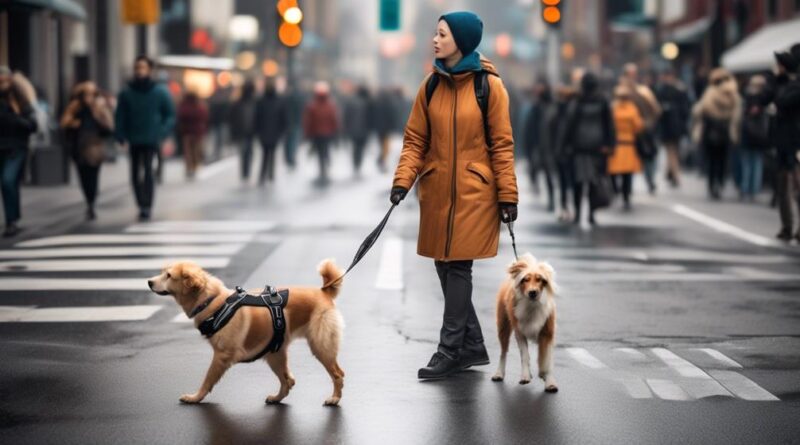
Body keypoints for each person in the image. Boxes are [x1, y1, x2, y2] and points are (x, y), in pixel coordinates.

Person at [390, 11, 518, 379]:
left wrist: (508, 195)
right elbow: (416, 140)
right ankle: (473, 346)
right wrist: (402, 182)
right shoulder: (430, 86)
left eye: (442, 34)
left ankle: (448, 350)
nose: (435, 39)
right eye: (435, 33)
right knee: (444, 265)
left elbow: (502, 145)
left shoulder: (489, 87)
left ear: (459, 40)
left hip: (476, 192)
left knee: (458, 266)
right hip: (437, 193)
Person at [114, 55, 175, 221]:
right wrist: (120, 134)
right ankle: (140, 203)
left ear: (149, 70)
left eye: (143, 67)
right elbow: (120, 115)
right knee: (134, 174)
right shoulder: (126, 92)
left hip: (151, 138)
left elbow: (169, 115)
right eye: (137, 67)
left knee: (148, 171)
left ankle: (147, 205)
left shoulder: (160, 92)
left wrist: (161, 132)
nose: (140, 71)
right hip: (134, 138)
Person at [559, 72, 615, 225]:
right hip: (597, 148)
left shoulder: (577, 101)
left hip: (580, 148)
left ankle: (578, 214)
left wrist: (563, 146)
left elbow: (568, 125)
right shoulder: (602, 101)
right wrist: (610, 145)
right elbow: (609, 124)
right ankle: (590, 214)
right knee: (593, 183)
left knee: (579, 183)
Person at [60, 81, 114, 220]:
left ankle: (92, 202)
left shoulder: (99, 107)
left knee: (93, 176)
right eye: (86, 94)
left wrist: (97, 113)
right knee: (83, 177)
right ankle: (89, 200)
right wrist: (73, 123)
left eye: (91, 94)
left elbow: (108, 127)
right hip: (78, 147)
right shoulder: (75, 107)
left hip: (94, 147)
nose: (89, 97)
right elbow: (64, 123)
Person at [691, 68, 742, 200]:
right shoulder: (733, 94)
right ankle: (720, 182)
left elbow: (699, 110)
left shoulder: (710, 93)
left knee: (712, 160)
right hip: (725, 130)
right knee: (722, 160)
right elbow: (737, 115)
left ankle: (712, 184)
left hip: (711, 130)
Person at [0, 67, 37, 237]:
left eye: (4, 80)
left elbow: (32, 125)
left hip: (16, 148)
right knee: (8, 183)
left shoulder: (20, 100)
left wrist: (14, 118)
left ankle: (11, 221)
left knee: (8, 181)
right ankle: (12, 218)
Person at [771, 43, 800, 242]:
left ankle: (792, 228)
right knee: (784, 187)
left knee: (797, 186)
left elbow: (782, 102)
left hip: (795, 141)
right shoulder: (783, 83)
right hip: (784, 142)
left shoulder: (795, 84)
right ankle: (787, 227)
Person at [621, 63, 661, 194]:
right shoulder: (623, 92)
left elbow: (655, 110)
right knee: (630, 160)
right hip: (629, 132)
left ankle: (649, 180)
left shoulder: (643, 91)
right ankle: (628, 187)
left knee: (648, 156)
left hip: (642, 129)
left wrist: (648, 123)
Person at [607, 84, 644, 209]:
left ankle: (615, 191)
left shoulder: (613, 108)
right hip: (629, 144)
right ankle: (626, 195)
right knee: (627, 174)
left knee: (613, 171)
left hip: (616, 144)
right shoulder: (632, 109)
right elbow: (638, 126)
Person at [524, 80, 558, 211]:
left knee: (549, 174)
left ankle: (552, 199)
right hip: (540, 144)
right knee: (539, 170)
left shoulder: (550, 107)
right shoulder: (537, 107)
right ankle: (548, 196)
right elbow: (530, 128)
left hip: (547, 145)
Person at [656, 69, 690, 187]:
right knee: (672, 151)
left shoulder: (673, 91)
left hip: (673, 127)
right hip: (670, 127)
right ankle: (674, 173)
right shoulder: (669, 90)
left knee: (673, 151)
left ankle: (671, 172)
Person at [739, 75, 771, 201]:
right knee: (756, 162)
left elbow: (742, 116)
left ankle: (746, 188)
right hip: (759, 135)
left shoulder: (747, 97)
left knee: (748, 163)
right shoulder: (764, 99)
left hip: (748, 134)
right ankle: (753, 189)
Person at [302, 81, 339, 185]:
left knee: (320, 153)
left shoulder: (312, 105)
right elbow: (334, 120)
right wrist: (336, 132)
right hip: (326, 133)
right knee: (324, 151)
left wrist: (307, 133)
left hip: (317, 134)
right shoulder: (330, 105)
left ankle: (322, 169)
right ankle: (324, 168)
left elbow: (308, 121)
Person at [254, 80, 288, 185]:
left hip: (265, 132)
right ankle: (270, 174)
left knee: (265, 154)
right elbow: (283, 118)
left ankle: (264, 175)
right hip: (274, 133)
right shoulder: (278, 101)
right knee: (271, 154)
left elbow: (257, 118)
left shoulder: (261, 101)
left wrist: (257, 130)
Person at [176, 91, 209, 180]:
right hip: (196, 131)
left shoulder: (183, 105)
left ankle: (190, 167)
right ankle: (193, 166)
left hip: (187, 131)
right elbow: (204, 116)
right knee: (195, 151)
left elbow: (180, 115)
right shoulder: (199, 105)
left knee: (188, 151)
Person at [229, 80, 257, 182]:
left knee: (245, 151)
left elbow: (232, 118)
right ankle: (246, 171)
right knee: (247, 151)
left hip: (245, 130)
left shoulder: (239, 103)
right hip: (247, 130)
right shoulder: (253, 102)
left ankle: (245, 171)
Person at [344, 85, 374, 177]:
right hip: (364, 129)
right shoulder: (368, 102)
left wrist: (346, 127)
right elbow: (371, 118)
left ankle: (356, 163)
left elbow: (346, 115)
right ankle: (358, 163)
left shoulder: (351, 102)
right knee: (360, 147)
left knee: (355, 147)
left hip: (353, 129)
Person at [373, 88, 397, 172]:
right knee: (386, 147)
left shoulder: (376, 103)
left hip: (378, 128)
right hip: (386, 129)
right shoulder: (389, 104)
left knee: (381, 145)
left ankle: (381, 159)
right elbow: (392, 116)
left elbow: (372, 116)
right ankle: (382, 160)